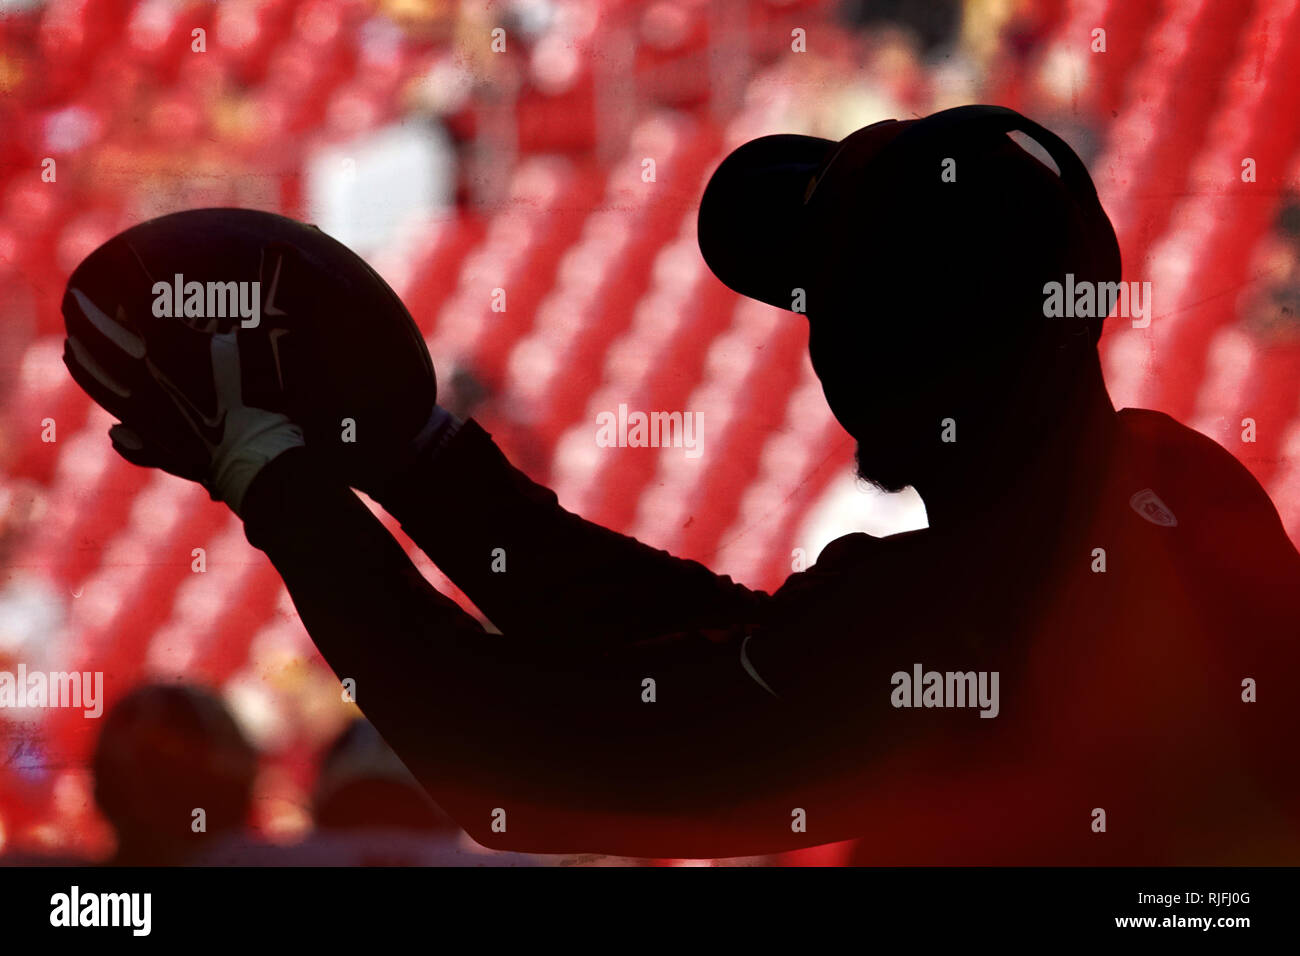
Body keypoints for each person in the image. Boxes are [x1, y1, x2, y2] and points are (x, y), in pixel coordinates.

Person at [62, 106, 1300, 862]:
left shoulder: (951, 624)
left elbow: (516, 771)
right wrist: (420, 463)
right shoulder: (1172, 487)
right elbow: (708, 646)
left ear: (881, 356)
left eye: (825, 306)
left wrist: (269, 473)